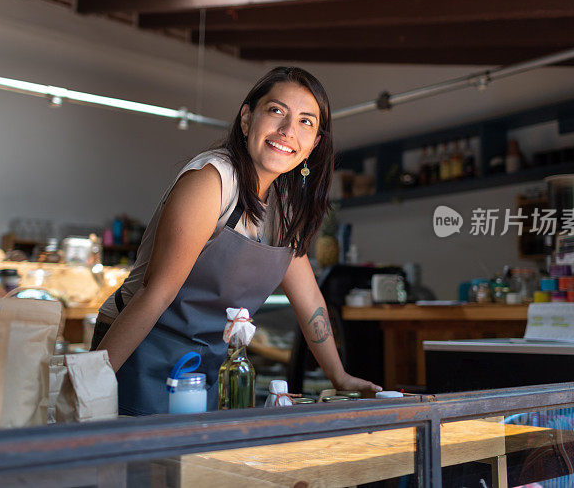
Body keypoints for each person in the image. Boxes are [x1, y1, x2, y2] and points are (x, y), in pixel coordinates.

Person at [92, 66, 381, 415]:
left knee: (194, 468)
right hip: (140, 351)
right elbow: (156, 293)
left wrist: (339, 376)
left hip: (206, 364)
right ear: (247, 120)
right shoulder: (212, 180)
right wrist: (91, 386)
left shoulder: (286, 207)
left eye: (306, 121)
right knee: (135, 467)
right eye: (277, 111)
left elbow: (310, 302)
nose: (288, 131)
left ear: (315, 145)